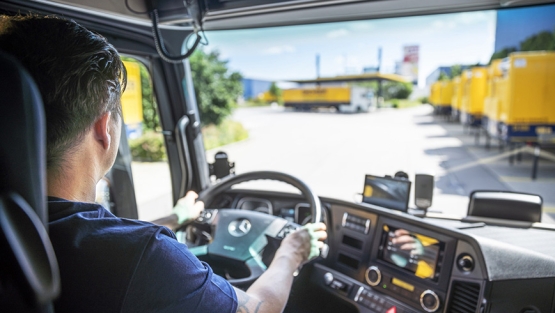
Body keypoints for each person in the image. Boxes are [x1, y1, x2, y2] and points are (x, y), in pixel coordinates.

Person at [0, 14, 327, 313]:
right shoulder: (148, 256)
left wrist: (178, 217)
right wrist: (290, 253)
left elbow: (107, 241)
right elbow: (260, 309)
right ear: (104, 129)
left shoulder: (15, 228)